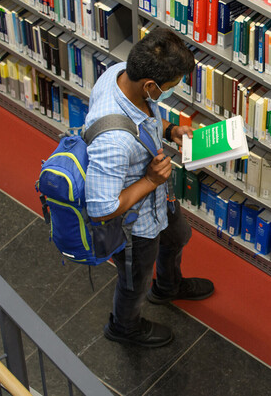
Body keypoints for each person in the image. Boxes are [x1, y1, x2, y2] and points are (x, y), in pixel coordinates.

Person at [84, 28, 214, 348]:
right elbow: (101, 209)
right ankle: (124, 326)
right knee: (134, 279)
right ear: (151, 86)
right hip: (135, 223)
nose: (172, 91)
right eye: (170, 88)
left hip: (159, 200)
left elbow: (145, 120)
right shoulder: (112, 141)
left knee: (179, 235)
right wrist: (150, 181)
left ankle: (168, 286)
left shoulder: (121, 74)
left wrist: (169, 130)